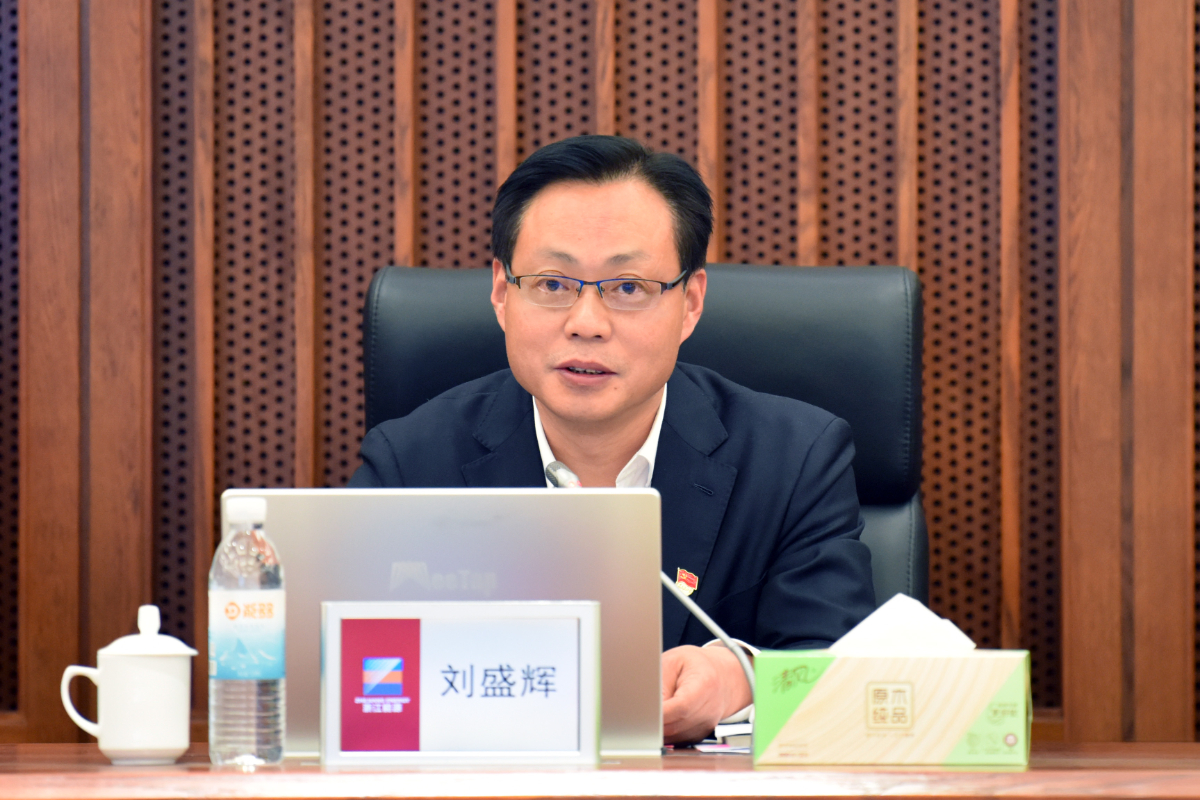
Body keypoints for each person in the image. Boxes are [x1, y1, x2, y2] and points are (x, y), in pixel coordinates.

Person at [349, 135, 875, 743]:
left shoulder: (793, 459)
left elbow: (847, 676)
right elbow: (346, 674)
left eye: (628, 288)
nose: (586, 324)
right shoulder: (411, 465)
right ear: (500, 293)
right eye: (552, 284)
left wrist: (743, 677)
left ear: (690, 304)